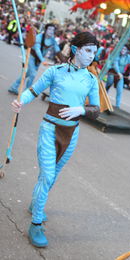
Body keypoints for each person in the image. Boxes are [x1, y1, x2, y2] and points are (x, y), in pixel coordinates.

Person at [11, 32, 100, 248]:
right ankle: (36, 223)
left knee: (52, 176)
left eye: (95, 52)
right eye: (88, 50)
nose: (91, 56)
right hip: (50, 129)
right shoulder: (55, 71)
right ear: (76, 49)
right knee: (47, 175)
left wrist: (81, 109)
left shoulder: (91, 79)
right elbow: (33, 91)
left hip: (72, 133)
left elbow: (96, 109)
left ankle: (36, 203)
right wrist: (20, 101)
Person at [8, 24, 65, 95]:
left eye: (53, 30)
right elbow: (37, 50)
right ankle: (26, 92)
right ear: (46, 30)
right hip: (31, 57)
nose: (51, 31)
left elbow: (57, 50)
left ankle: (13, 87)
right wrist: (43, 60)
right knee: (33, 74)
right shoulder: (39, 37)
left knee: (26, 74)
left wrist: (64, 61)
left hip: (38, 61)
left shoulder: (52, 40)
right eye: (50, 29)